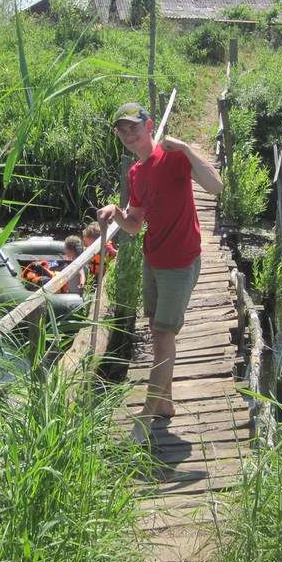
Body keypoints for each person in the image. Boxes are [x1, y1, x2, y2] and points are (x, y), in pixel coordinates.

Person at [97, 102, 222, 443]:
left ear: (149, 125)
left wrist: (187, 148)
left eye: (133, 127)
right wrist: (115, 212)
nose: (127, 134)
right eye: (121, 130)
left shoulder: (174, 157)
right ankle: (165, 403)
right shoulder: (136, 173)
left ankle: (147, 414)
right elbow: (135, 225)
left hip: (180, 262)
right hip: (153, 259)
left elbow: (215, 187)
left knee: (165, 336)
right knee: (155, 329)